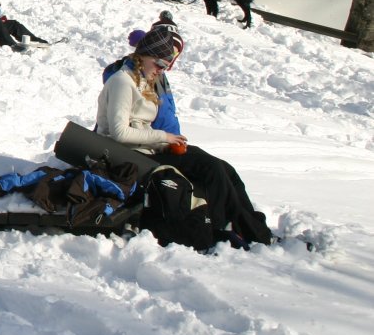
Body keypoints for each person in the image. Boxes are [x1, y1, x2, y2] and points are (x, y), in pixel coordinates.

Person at [95, 26, 272, 248]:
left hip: (147, 150)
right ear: (143, 55)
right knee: (210, 169)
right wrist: (164, 137)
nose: (161, 71)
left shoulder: (141, 79)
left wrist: (167, 141)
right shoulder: (123, 81)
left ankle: (254, 229)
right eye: (159, 64)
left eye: (165, 66)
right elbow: (119, 132)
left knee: (224, 168)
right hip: (128, 157)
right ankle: (218, 230)